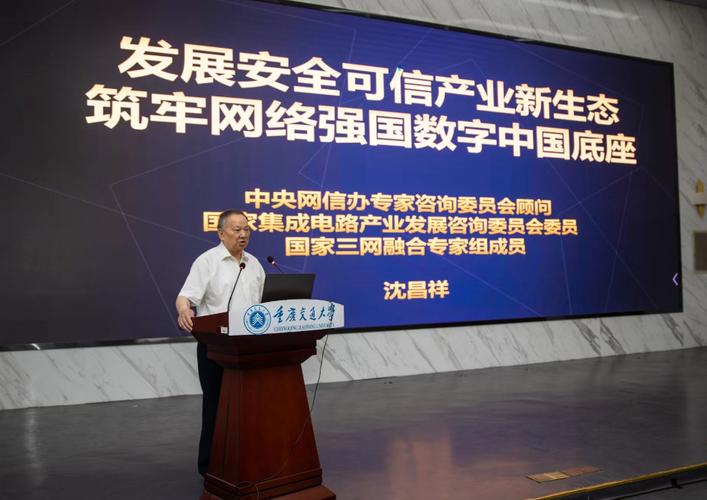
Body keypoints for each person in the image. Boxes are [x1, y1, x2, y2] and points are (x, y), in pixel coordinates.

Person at [176, 209, 265, 476]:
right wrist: (184, 310)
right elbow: (185, 297)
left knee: (250, 406)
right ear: (221, 233)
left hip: (249, 346)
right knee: (216, 405)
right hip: (216, 345)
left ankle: (248, 460)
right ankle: (211, 466)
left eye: (246, 229)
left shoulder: (254, 264)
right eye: (237, 229)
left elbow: (264, 303)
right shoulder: (207, 261)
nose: (243, 234)